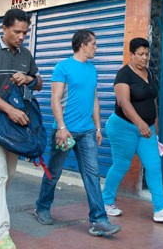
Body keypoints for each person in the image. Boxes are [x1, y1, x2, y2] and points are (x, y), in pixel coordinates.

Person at [34, 29, 121, 237]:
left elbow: (94, 100)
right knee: (54, 173)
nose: (96, 48)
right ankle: (42, 207)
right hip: (65, 131)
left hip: (87, 131)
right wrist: (62, 128)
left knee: (91, 175)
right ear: (82, 45)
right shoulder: (63, 67)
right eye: (94, 44)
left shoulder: (92, 70)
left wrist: (98, 127)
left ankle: (99, 220)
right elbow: (55, 99)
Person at [0, 9, 43, 249]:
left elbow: (40, 83)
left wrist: (29, 80)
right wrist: (9, 110)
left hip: (14, 128)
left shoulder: (25, 54)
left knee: (9, 175)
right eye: (17, 32)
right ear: (4, 28)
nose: (22, 37)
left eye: (25, 32)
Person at [102, 37, 163, 222]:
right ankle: (105, 201)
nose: (145, 57)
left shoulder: (150, 73)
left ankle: (161, 208)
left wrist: (154, 127)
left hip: (146, 129)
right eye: (140, 54)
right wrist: (140, 123)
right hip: (123, 127)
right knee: (121, 164)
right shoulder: (124, 75)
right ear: (131, 55)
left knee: (154, 166)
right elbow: (123, 102)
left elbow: (152, 101)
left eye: (147, 54)